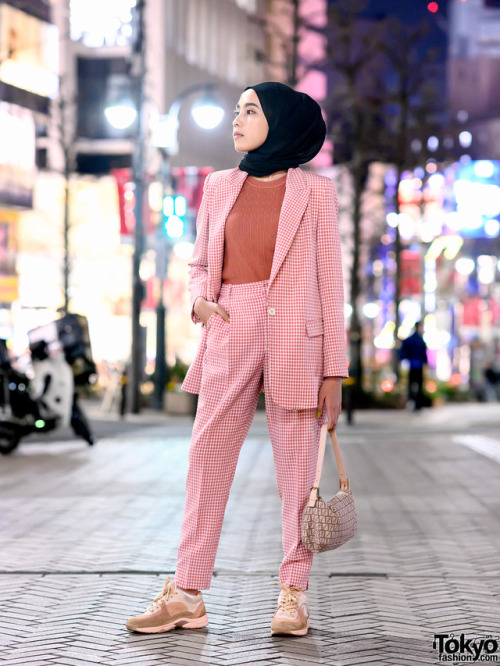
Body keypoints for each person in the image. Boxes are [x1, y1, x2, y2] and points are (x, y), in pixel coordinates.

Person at [126, 82, 349, 637]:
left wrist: (335, 369)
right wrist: (202, 301)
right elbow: (201, 263)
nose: (237, 119)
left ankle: (293, 594)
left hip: (297, 338)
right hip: (230, 327)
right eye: (237, 110)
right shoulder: (219, 185)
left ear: (282, 122)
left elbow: (331, 283)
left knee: (299, 474)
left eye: (251, 110)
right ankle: (186, 592)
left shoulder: (316, 193)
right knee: (206, 460)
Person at [399, 320, 428, 411]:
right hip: (417, 366)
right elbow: (424, 354)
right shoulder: (419, 340)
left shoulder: (411, 339)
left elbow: (403, 352)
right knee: (418, 385)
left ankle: (412, 401)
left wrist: (404, 359)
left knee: (411, 385)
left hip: (412, 365)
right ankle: (417, 404)